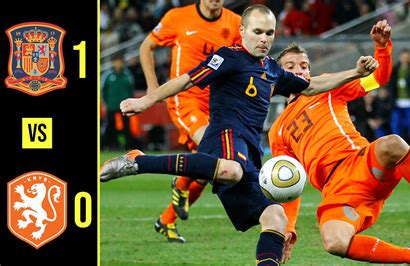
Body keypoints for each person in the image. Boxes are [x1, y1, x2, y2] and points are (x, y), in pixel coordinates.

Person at [101, 5, 379, 264]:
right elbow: (186, 79)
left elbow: (311, 85)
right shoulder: (228, 57)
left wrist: (354, 72)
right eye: (257, 32)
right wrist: (146, 100)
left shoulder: (272, 68)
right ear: (243, 31)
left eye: (269, 33)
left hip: (249, 152)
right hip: (223, 137)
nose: (264, 38)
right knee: (231, 170)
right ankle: (137, 161)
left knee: (276, 217)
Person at [269, 20, 410, 265]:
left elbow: (378, 78)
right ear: (278, 76)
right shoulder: (277, 130)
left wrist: (382, 48)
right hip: (337, 191)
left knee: (393, 143)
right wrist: (289, 229)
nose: (300, 71)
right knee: (334, 242)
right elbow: (289, 184)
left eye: (304, 65)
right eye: (290, 67)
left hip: (362, 162)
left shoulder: (327, 87)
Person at [139, 0, 242, 243]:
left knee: (210, 168)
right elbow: (146, 47)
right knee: (212, 152)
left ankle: (167, 218)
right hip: (185, 99)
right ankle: (181, 183)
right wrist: (153, 89)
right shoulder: (177, 17)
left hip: (217, 104)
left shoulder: (235, 23)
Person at [101, 53, 135, 150]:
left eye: (120, 61)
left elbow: (131, 89)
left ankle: (128, 146)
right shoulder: (108, 75)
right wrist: (104, 103)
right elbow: (104, 90)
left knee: (126, 127)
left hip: (125, 106)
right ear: (113, 62)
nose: (118, 64)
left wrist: (131, 103)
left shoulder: (127, 75)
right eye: (116, 61)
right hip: (111, 105)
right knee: (110, 126)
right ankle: (110, 145)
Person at [387, 48, 410, 146]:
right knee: (396, 126)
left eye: (406, 57)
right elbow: (390, 86)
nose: (405, 59)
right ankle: (398, 147)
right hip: (397, 103)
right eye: (403, 57)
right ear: (400, 57)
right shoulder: (394, 70)